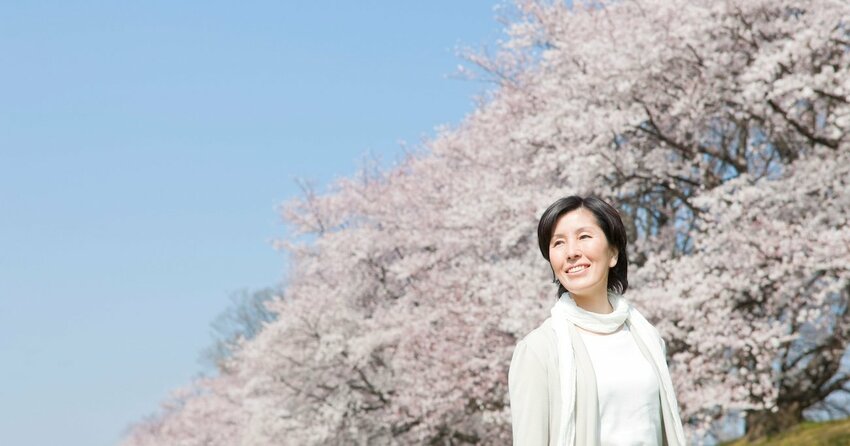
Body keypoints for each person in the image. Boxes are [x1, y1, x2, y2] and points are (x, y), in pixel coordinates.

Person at [509, 195, 686, 445]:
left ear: (613, 253)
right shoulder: (539, 350)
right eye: (558, 242)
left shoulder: (647, 338)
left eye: (584, 237)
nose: (571, 252)